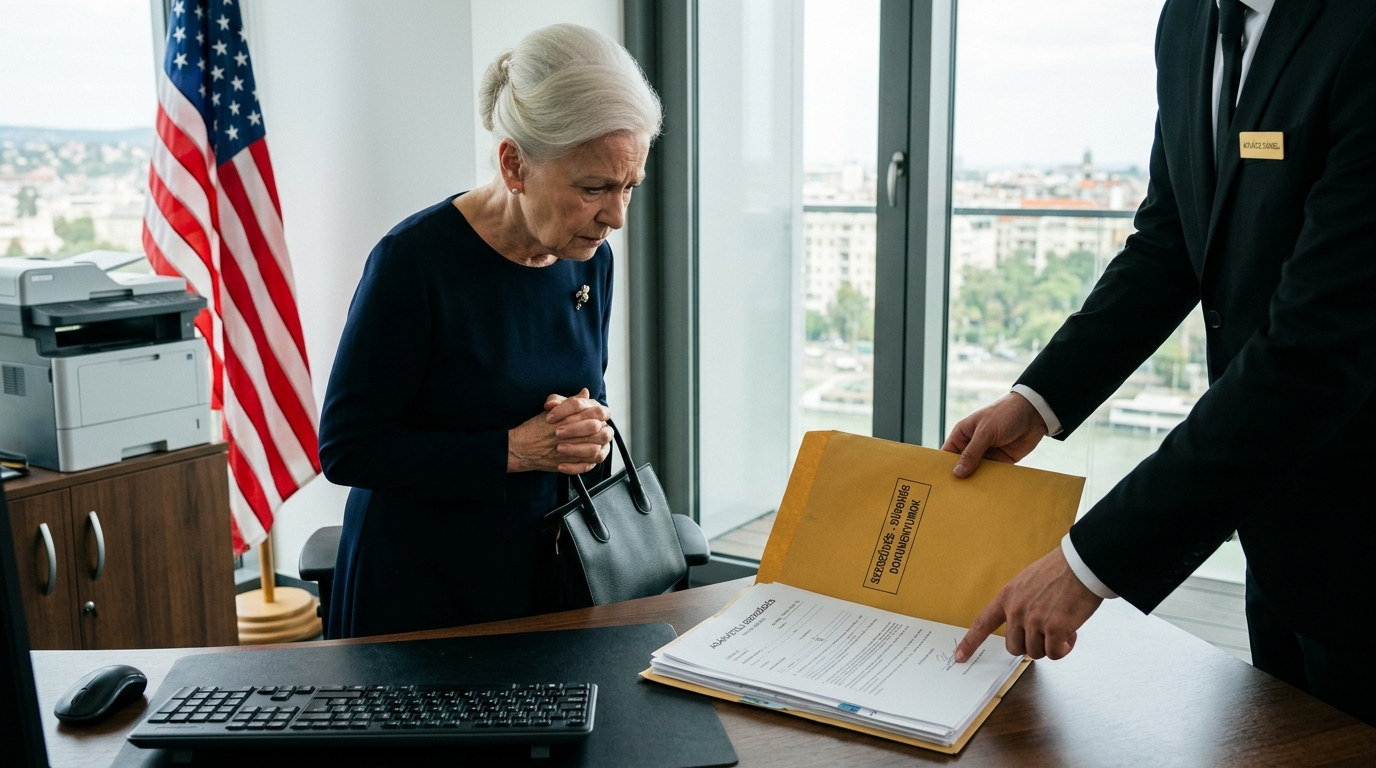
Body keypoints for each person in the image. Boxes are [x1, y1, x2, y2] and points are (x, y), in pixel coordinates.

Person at [944, 0, 1376, 726]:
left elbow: (1316, 349)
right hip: (1274, 526)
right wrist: (1039, 399)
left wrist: (1088, 564)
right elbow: (1170, 240)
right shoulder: (1188, 20)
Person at [317, 24, 661, 639]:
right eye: (594, 188)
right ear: (514, 165)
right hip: (421, 591)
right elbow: (348, 447)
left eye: (628, 188)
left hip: (550, 576)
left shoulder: (590, 258)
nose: (615, 215)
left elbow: (583, 399)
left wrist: (590, 432)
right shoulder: (412, 263)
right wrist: (513, 450)